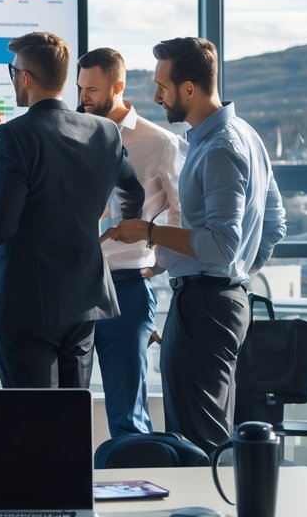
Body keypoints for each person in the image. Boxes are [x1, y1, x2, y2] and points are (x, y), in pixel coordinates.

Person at [103, 36, 286, 453]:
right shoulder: (243, 135)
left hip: (207, 305)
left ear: (189, 89)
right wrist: (237, 274)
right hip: (219, 300)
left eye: (162, 86)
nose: (155, 96)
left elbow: (220, 244)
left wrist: (148, 233)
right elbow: (274, 225)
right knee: (204, 431)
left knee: (197, 439)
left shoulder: (220, 147)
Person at [0, 31, 144, 389]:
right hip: (85, 297)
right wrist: (96, 216)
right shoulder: (107, 132)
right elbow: (133, 194)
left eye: (13, 71)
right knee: (71, 420)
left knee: (28, 423)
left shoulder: (15, 135)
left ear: (26, 77)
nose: (13, 78)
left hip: (26, 302)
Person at [78, 46, 185, 437]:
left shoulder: (159, 143)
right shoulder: (74, 134)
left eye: (91, 89)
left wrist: (157, 263)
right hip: (74, 288)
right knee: (63, 407)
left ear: (118, 86)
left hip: (127, 288)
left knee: (128, 414)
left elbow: (181, 214)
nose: (82, 98)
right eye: (79, 88)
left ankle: (137, 490)